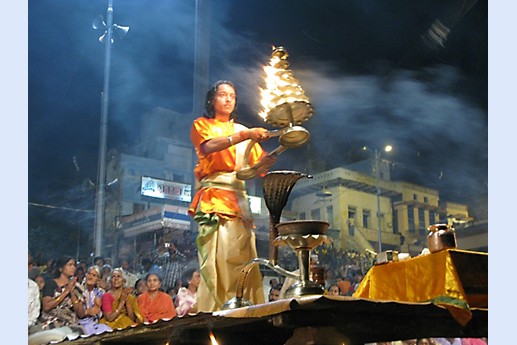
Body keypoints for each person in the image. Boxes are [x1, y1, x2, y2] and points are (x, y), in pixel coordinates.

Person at [188, 80, 277, 312]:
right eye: (223, 95)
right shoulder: (202, 125)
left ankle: (245, 306)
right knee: (221, 257)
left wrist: (270, 158)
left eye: (232, 96)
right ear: (212, 100)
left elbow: (255, 169)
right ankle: (219, 307)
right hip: (215, 199)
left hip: (239, 200)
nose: (228, 99)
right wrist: (246, 135)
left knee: (243, 256)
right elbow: (208, 147)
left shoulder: (242, 130)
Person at [29, 255, 84, 344]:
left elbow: (80, 313)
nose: (73, 268)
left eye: (74, 265)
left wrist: (72, 292)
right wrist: (66, 291)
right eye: (70, 265)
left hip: (70, 323)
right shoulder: (51, 284)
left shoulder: (77, 287)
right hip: (51, 321)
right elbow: (47, 307)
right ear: (61, 268)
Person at [77, 266, 112, 335]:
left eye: (94, 275)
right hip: (80, 322)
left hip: (94, 323)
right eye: (89, 274)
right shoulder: (79, 289)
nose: (90, 277)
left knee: (107, 330)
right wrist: (87, 311)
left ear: (98, 280)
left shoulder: (100, 292)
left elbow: (98, 311)